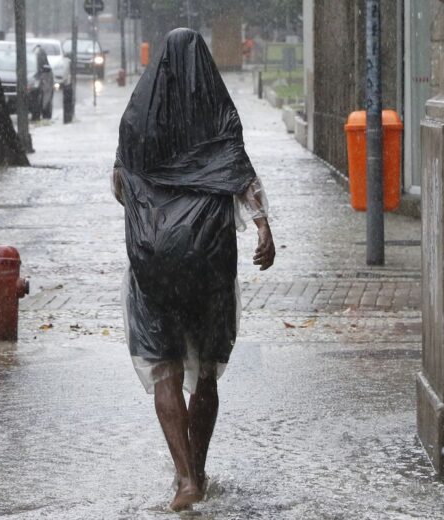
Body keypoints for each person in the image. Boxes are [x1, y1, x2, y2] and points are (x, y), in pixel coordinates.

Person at [112, 28, 275, 512]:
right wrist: (264, 229)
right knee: (205, 371)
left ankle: (185, 480)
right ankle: (199, 467)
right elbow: (241, 176)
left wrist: (158, 207)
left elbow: (121, 185)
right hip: (208, 261)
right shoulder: (218, 113)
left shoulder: (138, 119)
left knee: (164, 368)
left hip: (155, 262)